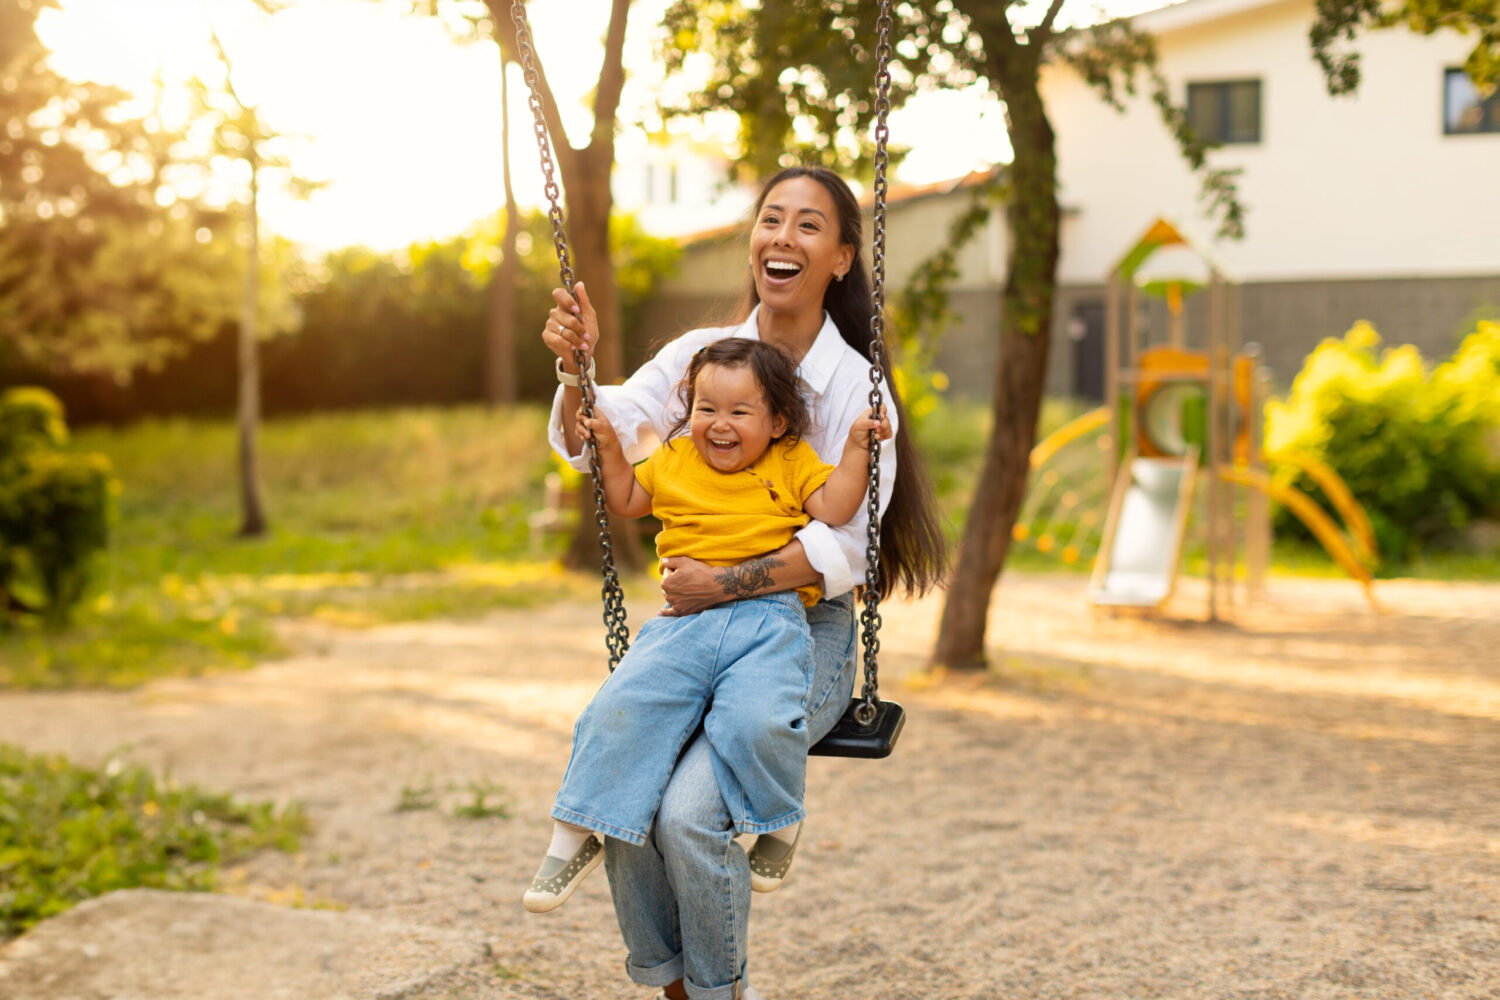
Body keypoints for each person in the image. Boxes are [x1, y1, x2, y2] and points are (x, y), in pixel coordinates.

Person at [538, 166, 947, 1000]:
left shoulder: (855, 389)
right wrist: (578, 369)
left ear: (839, 258)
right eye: (770, 220)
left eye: (807, 225)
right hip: (694, 630)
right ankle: (673, 987)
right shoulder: (699, 357)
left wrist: (723, 583)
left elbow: (853, 548)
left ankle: (719, 993)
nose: (782, 238)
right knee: (630, 799)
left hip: (802, 628)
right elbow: (609, 427)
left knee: (689, 814)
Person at [523, 337, 892, 915]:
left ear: (777, 421)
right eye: (705, 409)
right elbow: (623, 497)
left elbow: (839, 507)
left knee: (759, 719)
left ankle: (779, 820)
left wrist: (855, 448)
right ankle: (573, 834)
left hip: (768, 621)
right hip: (683, 625)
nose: (719, 425)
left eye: (739, 412)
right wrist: (610, 449)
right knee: (618, 709)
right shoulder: (673, 460)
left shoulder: (792, 461)